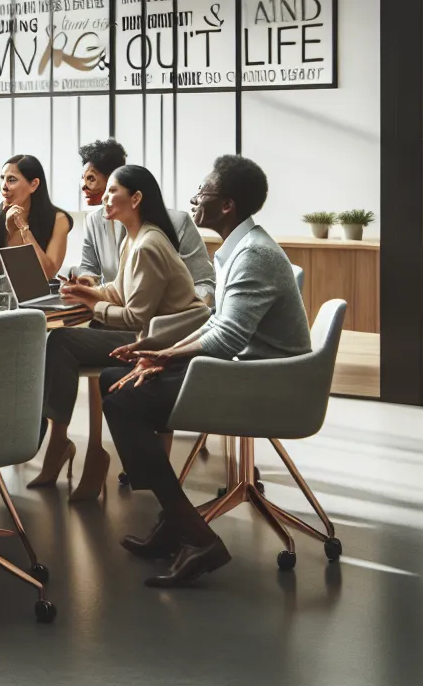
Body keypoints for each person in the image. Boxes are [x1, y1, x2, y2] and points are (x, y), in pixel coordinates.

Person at [100, 154, 311, 587]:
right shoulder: (238, 248)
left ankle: (194, 534)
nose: (195, 198)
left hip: (261, 384)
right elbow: (216, 323)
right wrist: (159, 351)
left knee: (124, 399)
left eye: (204, 191)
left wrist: (163, 358)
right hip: (242, 371)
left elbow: (228, 339)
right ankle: (175, 521)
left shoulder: (253, 255)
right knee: (113, 382)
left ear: (227, 205)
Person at [30, 164, 206, 489]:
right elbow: (120, 291)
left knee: (60, 342)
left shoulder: (148, 245)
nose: (104, 198)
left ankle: (54, 438)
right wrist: (89, 292)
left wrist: (91, 305)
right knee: (61, 342)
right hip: (152, 333)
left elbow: (133, 316)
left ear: (136, 198)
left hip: (162, 343)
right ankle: (60, 439)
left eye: (113, 191)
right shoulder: (134, 238)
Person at [77, 139, 215, 302]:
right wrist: (87, 280)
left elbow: (204, 285)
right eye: (82, 178)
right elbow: (88, 268)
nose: (83, 186)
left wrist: (176, 310)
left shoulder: (178, 222)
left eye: (91, 178)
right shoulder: (93, 221)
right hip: (117, 315)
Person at [0, 154, 73, 281]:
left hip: (42, 296)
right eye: (2, 178)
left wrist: (23, 231)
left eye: (11, 179)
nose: (4, 187)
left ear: (33, 184)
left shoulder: (59, 220)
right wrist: (12, 240)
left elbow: (48, 274)